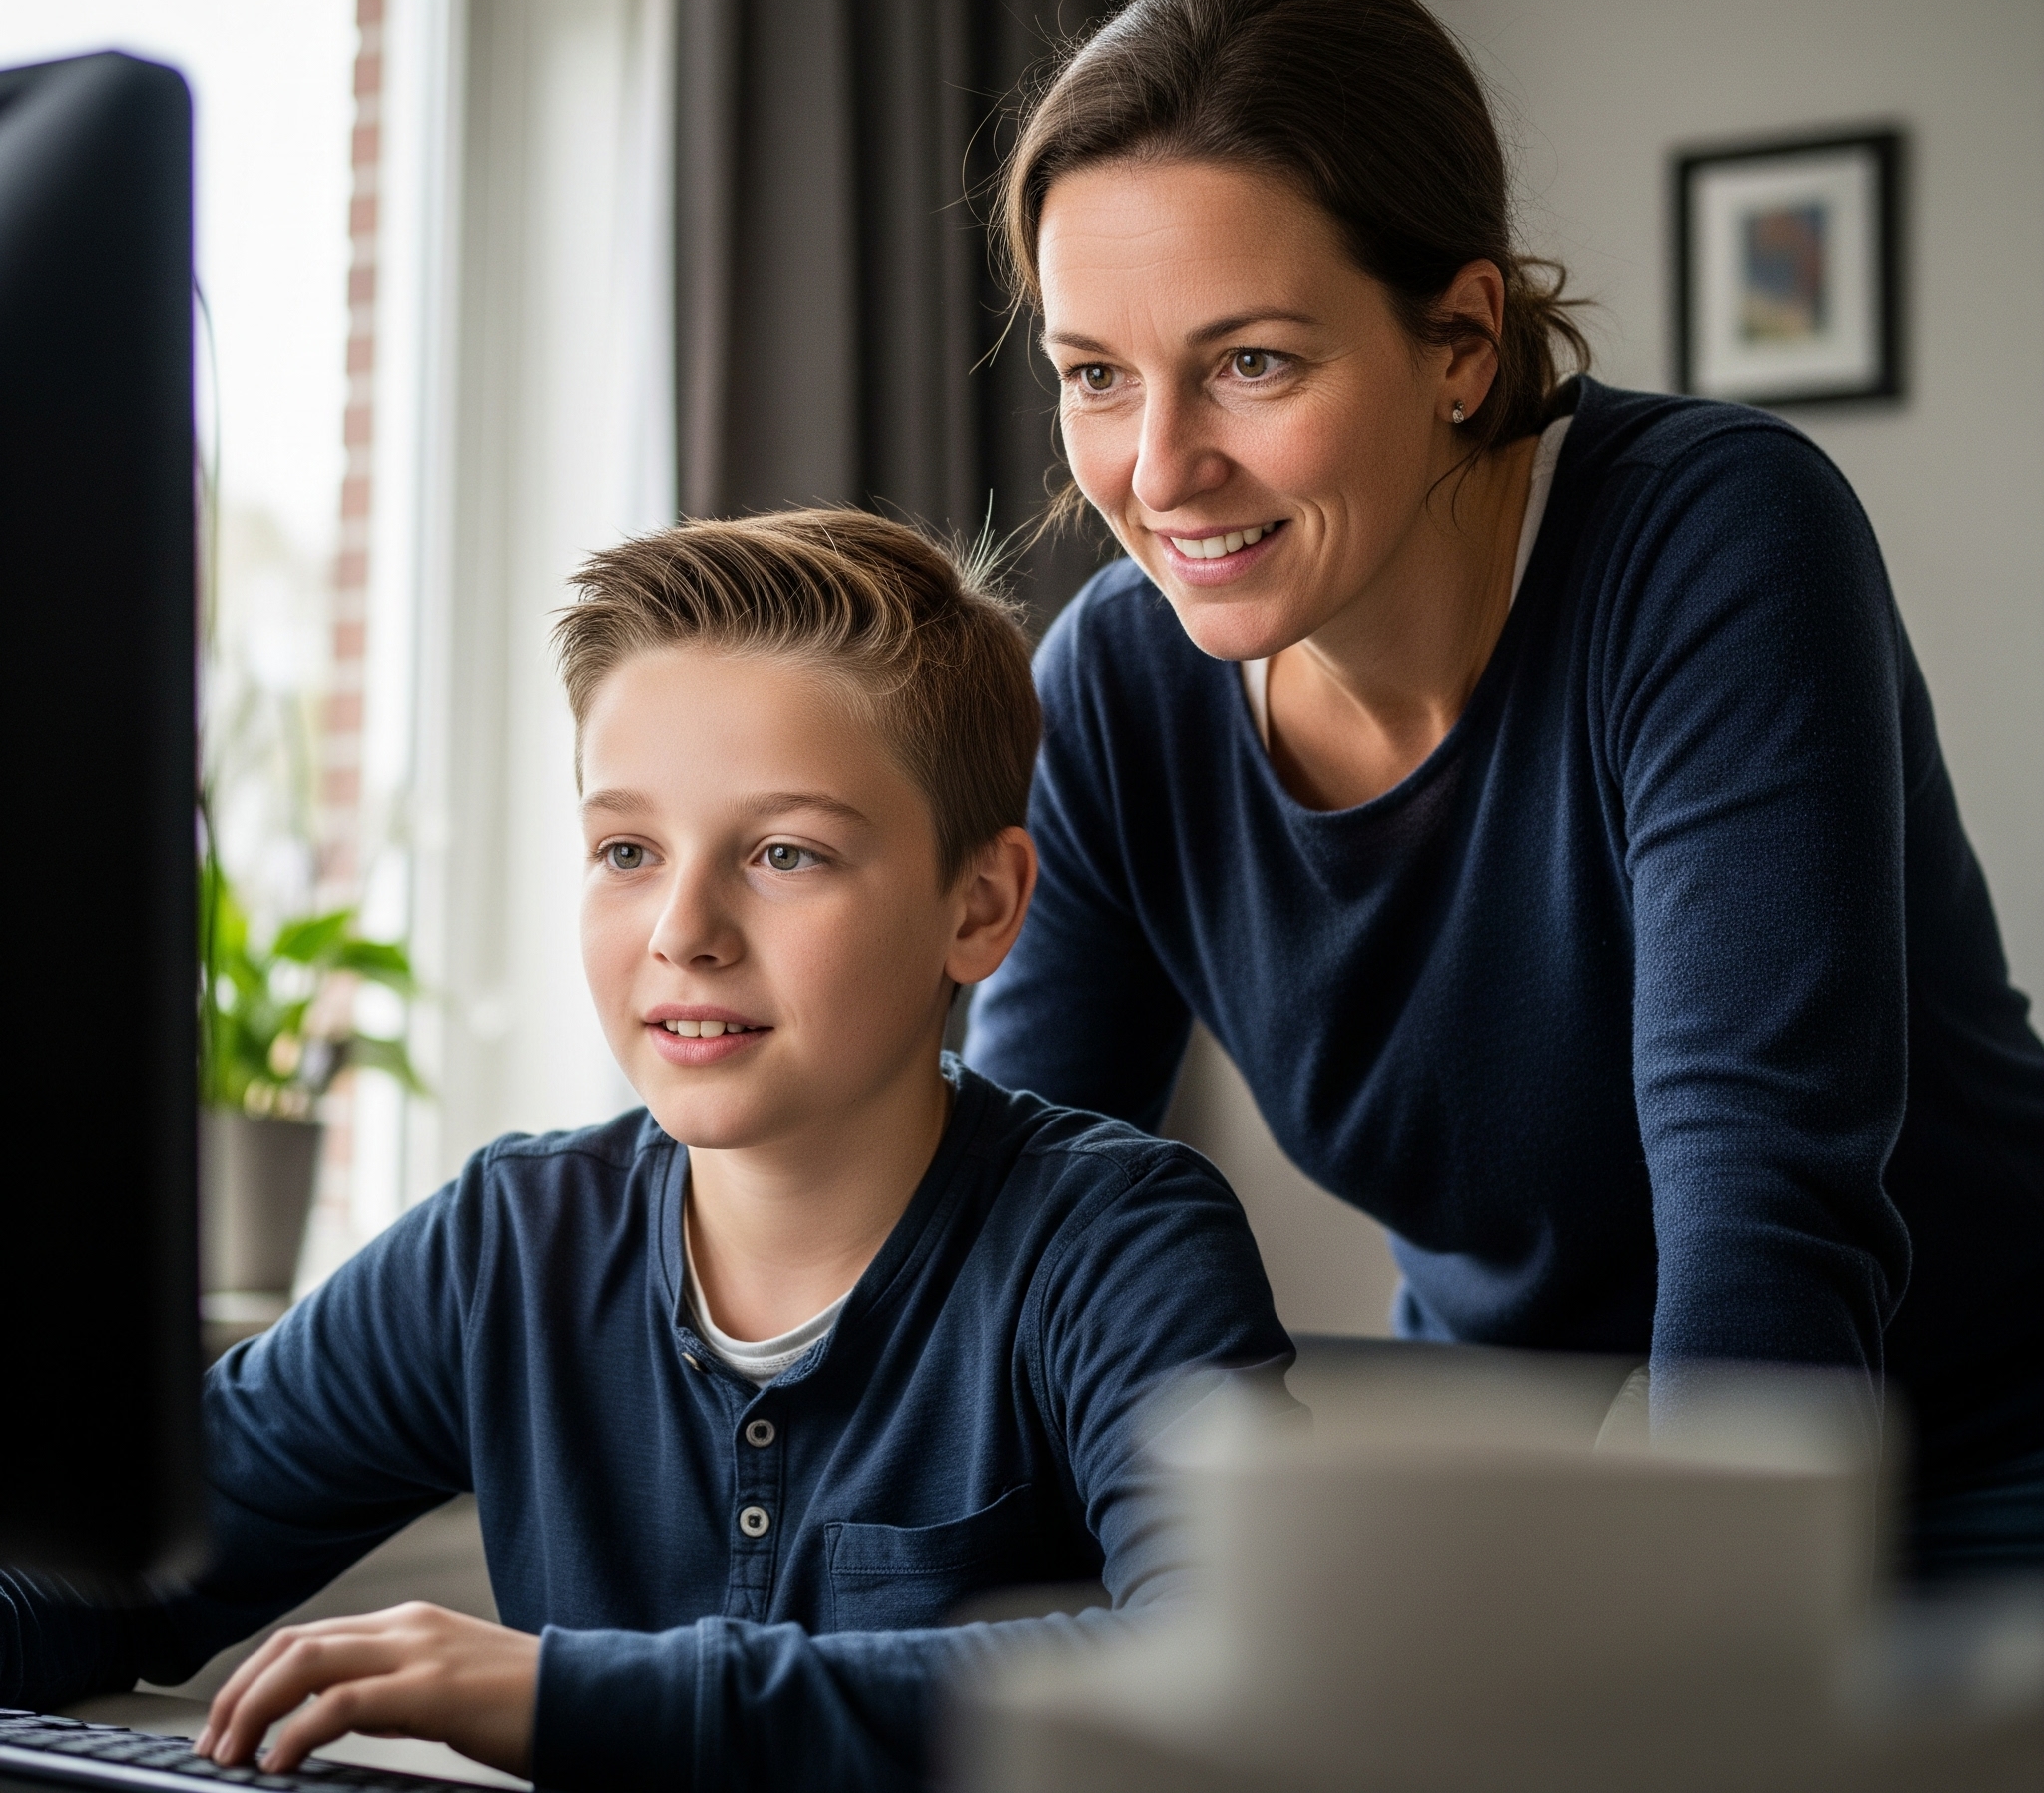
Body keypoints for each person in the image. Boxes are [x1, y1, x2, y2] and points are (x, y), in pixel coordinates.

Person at [961, 0, 2044, 1580]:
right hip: (1522, 1455)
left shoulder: (1712, 541)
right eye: (1095, 375)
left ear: (1463, 343)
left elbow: (1765, 1219)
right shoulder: (1115, 690)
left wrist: (1675, 1650)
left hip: (1957, 1446)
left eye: (1251, 361)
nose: (1159, 467)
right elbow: (1020, 1240)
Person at [0, 512, 1291, 1787]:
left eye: (784, 853)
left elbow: (1231, 1667)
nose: (684, 929)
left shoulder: (1120, 1243)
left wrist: (571, 1695)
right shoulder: (505, 1246)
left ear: (982, 905)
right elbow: (120, 1571)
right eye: (627, 850)